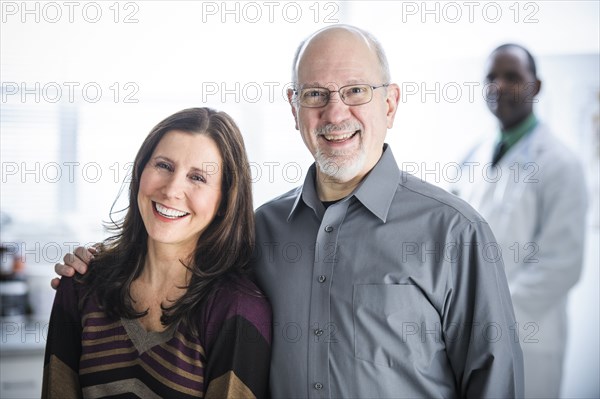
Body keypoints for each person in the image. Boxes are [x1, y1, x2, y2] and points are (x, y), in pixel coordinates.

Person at [54, 26, 524, 398]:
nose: (335, 113)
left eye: (356, 90)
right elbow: (175, 255)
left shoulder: (454, 233)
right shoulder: (260, 231)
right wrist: (97, 261)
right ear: (294, 107)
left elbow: (495, 383)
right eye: (315, 94)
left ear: (390, 101)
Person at [43, 108, 271, 398]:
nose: (172, 189)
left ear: (225, 200)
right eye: (164, 165)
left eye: (198, 178)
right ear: (140, 171)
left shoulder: (237, 311)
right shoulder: (81, 283)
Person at [452, 44, 588, 398]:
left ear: (536, 86)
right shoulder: (472, 156)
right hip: (468, 334)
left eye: (512, 77)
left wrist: (490, 315)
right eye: (491, 78)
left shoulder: (561, 163)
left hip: (530, 339)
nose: (499, 86)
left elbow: (561, 264)